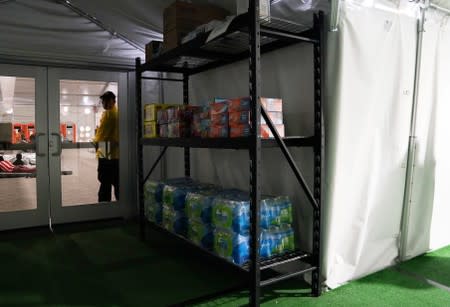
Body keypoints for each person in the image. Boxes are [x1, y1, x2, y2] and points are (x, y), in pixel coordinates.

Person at [93, 91, 119, 202]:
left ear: (111, 101)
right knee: (117, 183)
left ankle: (104, 210)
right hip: (116, 153)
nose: (103, 103)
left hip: (105, 151)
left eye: (104, 101)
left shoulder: (109, 114)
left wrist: (95, 142)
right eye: (103, 101)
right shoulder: (117, 112)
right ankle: (121, 208)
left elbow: (101, 136)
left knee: (105, 182)